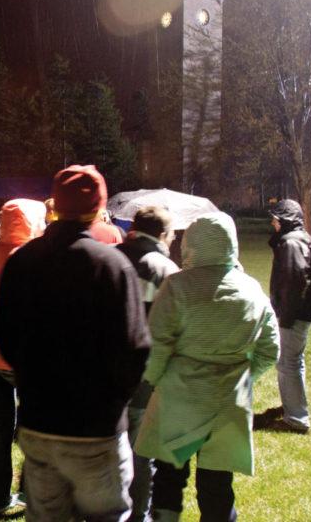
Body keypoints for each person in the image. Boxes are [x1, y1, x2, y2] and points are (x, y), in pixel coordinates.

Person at [0, 165, 150, 522]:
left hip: (39, 421)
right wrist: (114, 399)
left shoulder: (23, 261)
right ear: (98, 208)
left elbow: (4, 333)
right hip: (95, 428)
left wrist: (30, 380)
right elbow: (135, 347)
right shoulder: (113, 265)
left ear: (56, 207)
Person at [134, 213, 279, 522]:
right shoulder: (252, 290)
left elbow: (158, 343)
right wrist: (245, 376)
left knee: (169, 479)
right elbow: (270, 349)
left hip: (179, 397)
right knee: (218, 484)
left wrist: (156, 378)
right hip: (228, 401)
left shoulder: (177, 287)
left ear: (190, 244)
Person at [0, 198, 47, 513]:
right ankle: (31, 493)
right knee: (36, 428)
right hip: (25, 358)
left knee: (2, 428)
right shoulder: (38, 259)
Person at [115, 205, 180, 522]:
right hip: (144, 374)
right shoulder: (164, 269)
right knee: (140, 450)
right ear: (163, 234)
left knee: (109, 446)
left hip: (104, 370)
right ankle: (137, 514)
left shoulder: (109, 256)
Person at [253, 199, 311, 434]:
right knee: (292, 362)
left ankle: (297, 418)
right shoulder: (300, 238)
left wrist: (284, 315)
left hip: (293, 314)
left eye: (276, 218)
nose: (272, 222)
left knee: (288, 363)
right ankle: (293, 407)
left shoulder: (290, 243)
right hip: (299, 312)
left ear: (285, 220)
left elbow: (293, 281)